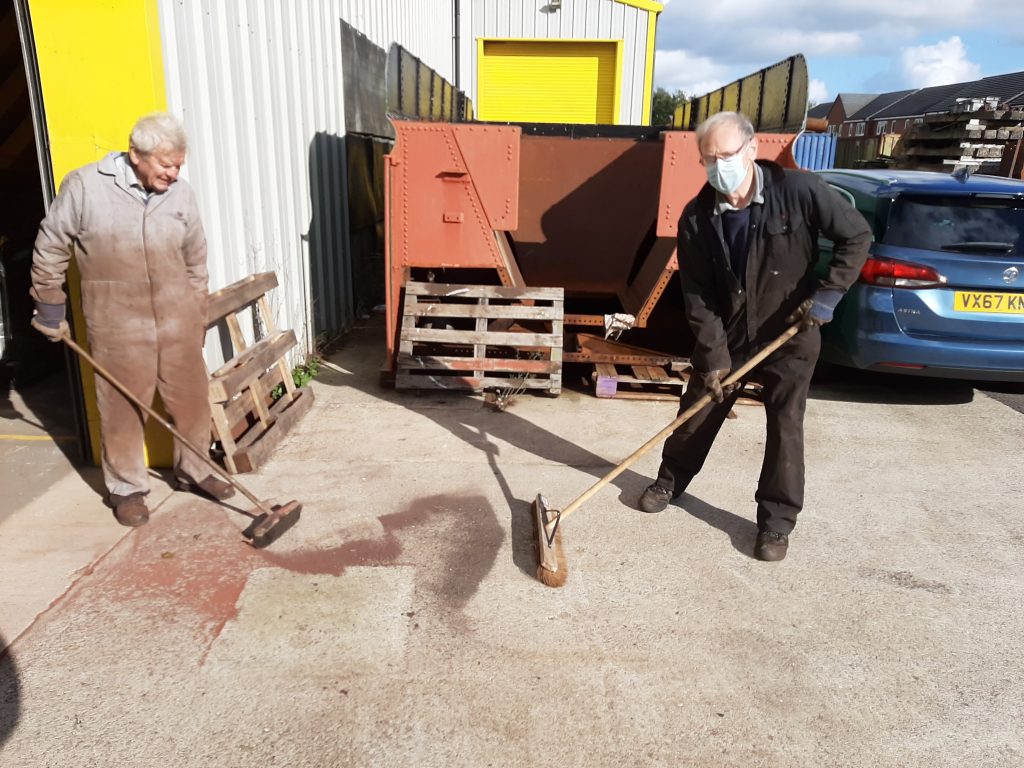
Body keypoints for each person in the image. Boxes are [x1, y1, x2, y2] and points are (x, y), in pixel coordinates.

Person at [637, 111, 871, 561]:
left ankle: (776, 524)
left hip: (792, 331)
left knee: (786, 425)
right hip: (728, 330)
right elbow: (698, 295)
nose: (718, 166)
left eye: (725, 155)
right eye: (709, 158)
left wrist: (827, 297)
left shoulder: (798, 191)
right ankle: (670, 481)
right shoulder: (697, 217)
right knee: (699, 409)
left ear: (750, 150)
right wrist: (715, 355)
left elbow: (856, 236)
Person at [29, 111, 234, 527]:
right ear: (135, 154)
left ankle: (196, 471)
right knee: (122, 410)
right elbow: (50, 246)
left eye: (179, 164)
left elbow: (196, 258)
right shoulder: (86, 186)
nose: (174, 173)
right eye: (165, 164)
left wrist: (197, 314)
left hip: (178, 321)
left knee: (193, 403)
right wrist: (50, 306)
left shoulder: (181, 195)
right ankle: (126, 489)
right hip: (117, 324)